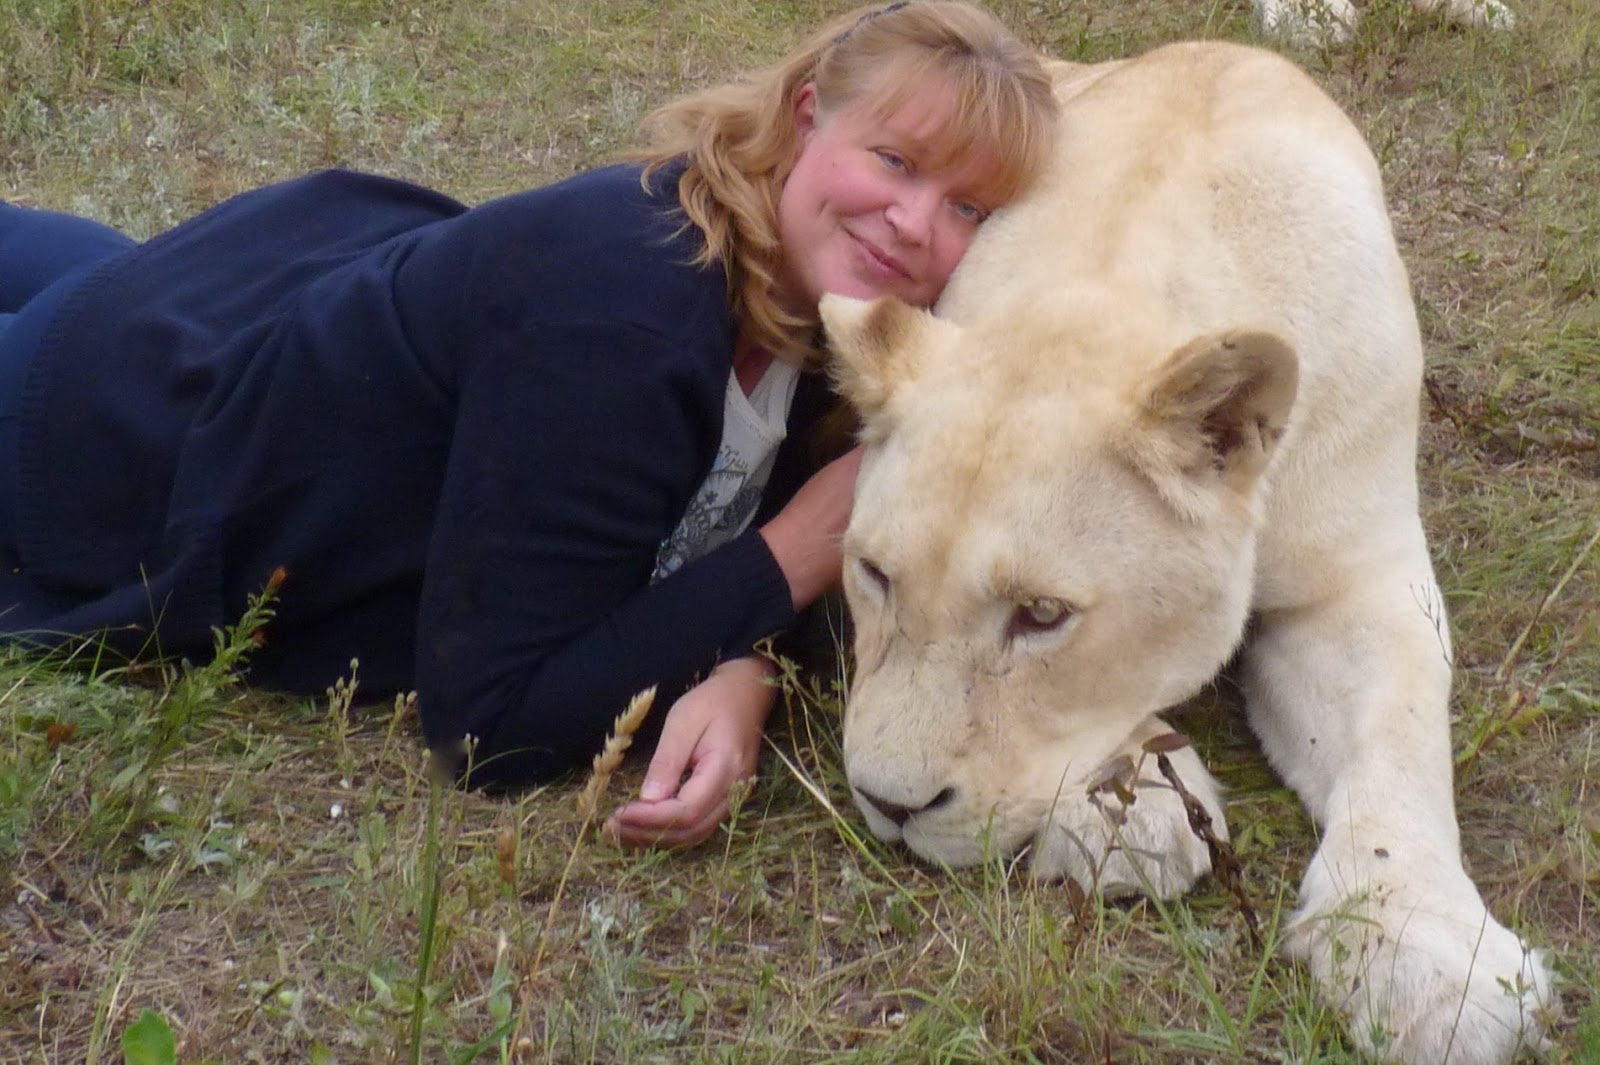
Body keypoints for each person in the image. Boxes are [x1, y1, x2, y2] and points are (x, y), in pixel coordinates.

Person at [0, 1, 1057, 847]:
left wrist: (747, 669)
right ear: (807, 113)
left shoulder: (837, 322)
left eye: (968, 207)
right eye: (896, 162)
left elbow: (716, 558)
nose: (917, 224)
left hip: (263, 298)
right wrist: (793, 556)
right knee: (57, 335)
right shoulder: (625, 319)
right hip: (124, 428)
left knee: (79, 276)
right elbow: (491, 724)